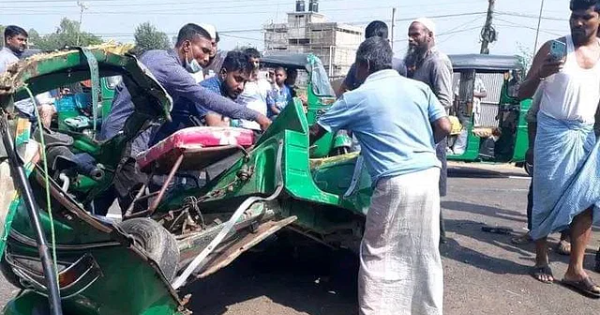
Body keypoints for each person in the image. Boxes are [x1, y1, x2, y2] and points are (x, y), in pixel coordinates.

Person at [309, 36, 451, 315]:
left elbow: (318, 132)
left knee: (380, 252)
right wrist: (419, 150)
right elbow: (444, 126)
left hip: (395, 180)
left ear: (364, 64)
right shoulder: (418, 88)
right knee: (423, 251)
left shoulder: (356, 96)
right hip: (427, 174)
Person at [96, 24, 270, 215]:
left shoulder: (154, 55)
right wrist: (256, 116)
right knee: (136, 210)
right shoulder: (170, 69)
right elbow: (206, 98)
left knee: (104, 194)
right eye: (203, 51)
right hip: (126, 141)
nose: (206, 58)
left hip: (118, 135)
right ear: (186, 45)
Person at [518, 0, 600, 297]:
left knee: (586, 202)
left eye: (586, 17)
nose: (577, 23)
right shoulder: (553, 47)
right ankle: (541, 259)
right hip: (552, 133)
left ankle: (575, 270)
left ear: (599, 18)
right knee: (545, 198)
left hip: (586, 134)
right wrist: (540, 73)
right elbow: (520, 93)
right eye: (573, 17)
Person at [405, 17, 453, 242]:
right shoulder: (415, 61)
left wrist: (429, 133)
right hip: (414, 133)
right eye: (410, 34)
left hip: (431, 134)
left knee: (430, 186)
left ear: (430, 36)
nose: (411, 38)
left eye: (416, 34)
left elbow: (444, 101)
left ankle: (437, 238)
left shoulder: (438, 61)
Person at [151, 50, 254, 143]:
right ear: (223, 73)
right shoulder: (209, 89)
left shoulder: (226, 92)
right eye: (238, 79)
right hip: (167, 147)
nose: (241, 87)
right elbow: (220, 130)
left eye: (245, 82)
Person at [0, 25, 56, 127]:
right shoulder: (5, 59)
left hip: (25, 107)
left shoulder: (15, 59)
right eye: (20, 40)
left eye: (25, 40)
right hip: (16, 110)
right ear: (8, 39)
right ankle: (41, 138)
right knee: (46, 110)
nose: (24, 43)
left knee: (47, 108)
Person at [336, 20, 407, 96]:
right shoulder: (357, 67)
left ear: (387, 41)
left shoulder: (399, 66)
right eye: (371, 42)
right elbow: (343, 90)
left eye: (379, 42)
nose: (375, 47)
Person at [235, 47, 271, 131]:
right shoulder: (241, 83)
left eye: (257, 62)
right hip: (246, 126)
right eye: (252, 62)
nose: (255, 65)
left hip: (261, 126)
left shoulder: (265, 83)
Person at [451, 75, 487, 155]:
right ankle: (459, 150)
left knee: (474, 129)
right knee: (463, 129)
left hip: (475, 109)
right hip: (463, 108)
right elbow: (456, 97)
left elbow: (484, 93)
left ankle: (471, 151)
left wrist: (474, 94)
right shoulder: (461, 81)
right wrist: (456, 111)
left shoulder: (478, 80)